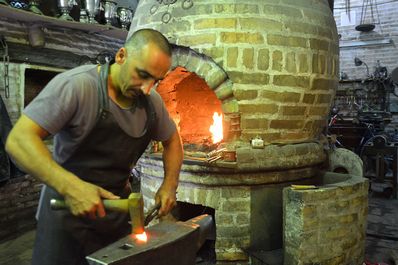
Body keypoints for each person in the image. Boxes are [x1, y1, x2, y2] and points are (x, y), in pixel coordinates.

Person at [5, 28, 183, 265]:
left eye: (156, 81)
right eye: (142, 74)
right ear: (121, 56)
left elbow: (173, 141)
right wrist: (72, 188)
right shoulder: (77, 86)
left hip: (116, 216)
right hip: (66, 214)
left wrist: (169, 184)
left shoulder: (152, 103)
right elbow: (18, 140)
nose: (147, 89)